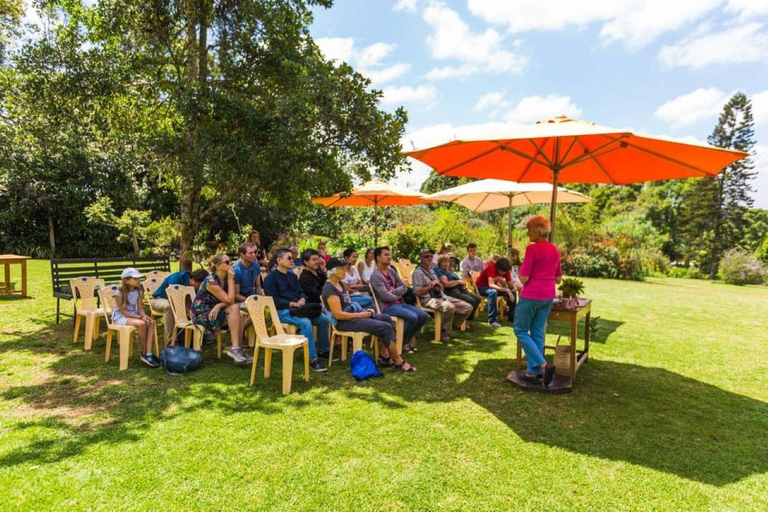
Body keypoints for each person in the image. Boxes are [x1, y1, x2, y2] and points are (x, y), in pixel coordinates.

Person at [323, 258, 415, 372]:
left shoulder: (339, 283)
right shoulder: (329, 288)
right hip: (343, 322)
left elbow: (348, 303)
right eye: (342, 269)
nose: (345, 271)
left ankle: (384, 357)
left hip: (352, 315)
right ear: (333, 271)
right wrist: (361, 315)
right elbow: (338, 315)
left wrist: (364, 312)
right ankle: (398, 362)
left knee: (386, 318)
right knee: (385, 327)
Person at [514, 216, 562, 387]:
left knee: (519, 330)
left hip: (531, 296)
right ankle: (533, 372)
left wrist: (519, 271)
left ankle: (543, 365)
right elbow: (558, 279)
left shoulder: (532, 250)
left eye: (529, 230)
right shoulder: (555, 250)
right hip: (548, 296)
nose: (528, 234)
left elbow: (524, 278)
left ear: (538, 231)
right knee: (537, 332)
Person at [263, 247, 329, 371]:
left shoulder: (292, 276)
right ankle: (312, 358)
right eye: (289, 258)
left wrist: (302, 299)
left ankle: (323, 350)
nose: (292, 260)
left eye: (292, 258)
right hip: (282, 311)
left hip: (299, 309)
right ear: (279, 260)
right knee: (305, 322)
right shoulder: (270, 279)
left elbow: (301, 292)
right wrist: (293, 304)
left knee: (323, 319)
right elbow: (274, 301)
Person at [191, 254, 252, 364]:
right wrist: (230, 279)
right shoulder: (211, 281)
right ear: (218, 266)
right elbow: (230, 300)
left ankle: (237, 349)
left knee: (238, 312)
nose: (231, 264)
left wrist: (218, 306)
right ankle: (236, 349)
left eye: (231, 261)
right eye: (227, 262)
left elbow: (229, 301)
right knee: (234, 308)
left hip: (215, 310)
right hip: (202, 314)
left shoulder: (224, 279)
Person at [369, 246, 429, 354]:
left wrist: (393, 292)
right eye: (386, 255)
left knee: (424, 316)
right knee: (413, 317)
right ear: (378, 258)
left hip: (398, 303)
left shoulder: (391, 271)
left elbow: (404, 287)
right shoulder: (376, 276)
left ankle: (403, 341)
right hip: (386, 307)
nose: (389, 257)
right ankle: (401, 342)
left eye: (389, 254)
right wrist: (397, 294)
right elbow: (385, 297)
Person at [411, 249, 473, 341]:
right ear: (421, 258)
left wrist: (439, 285)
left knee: (467, 307)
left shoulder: (431, 271)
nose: (429, 258)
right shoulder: (417, 273)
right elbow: (417, 292)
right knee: (449, 307)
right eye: (426, 256)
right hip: (427, 299)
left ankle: (448, 325)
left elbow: (441, 287)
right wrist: (429, 287)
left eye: (431, 256)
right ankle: (444, 331)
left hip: (441, 296)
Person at [111, 267, 160, 368]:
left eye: (139, 278)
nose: (138, 281)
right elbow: (124, 312)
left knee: (151, 322)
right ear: (126, 281)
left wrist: (144, 316)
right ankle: (144, 352)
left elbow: (141, 308)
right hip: (121, 317)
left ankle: (148, 353)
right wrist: (140, 318)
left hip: (134, 314)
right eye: (135, 279)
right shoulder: (118, 293)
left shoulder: (138, 291)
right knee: (142, 324)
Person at [151, 268, 209, 342]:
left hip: (180, 301)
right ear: (195, 281)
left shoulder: (195, 286)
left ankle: (200, 335)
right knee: (169, 306)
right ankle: (171, 340)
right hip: (160, 299)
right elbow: (173, 300)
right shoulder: (176, 278)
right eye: (200, 285)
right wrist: (187, 310)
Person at [435, 254, 482, 324]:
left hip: (460, 290)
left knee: (477, 299)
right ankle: (464, 322)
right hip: (452, 292)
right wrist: (458, 282)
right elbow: (446, 284)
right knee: (471, 300)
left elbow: (460, 281)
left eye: (447, 262)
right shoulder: (440, 272)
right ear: (440, 264)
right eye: (443, 262)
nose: (446, 264)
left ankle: (468, 320)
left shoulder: (450, 272)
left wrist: (462, 283)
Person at [475, 257, 519, 328]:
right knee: (493, 292)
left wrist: (513, 289)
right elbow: (491, 284)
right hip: (481, 287)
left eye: (505, 271)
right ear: (498, 267)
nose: (504, 273)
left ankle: (512, 317)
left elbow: (510, 285)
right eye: (503, 271)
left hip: (493, 288)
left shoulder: (505, 270)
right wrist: (507, 290)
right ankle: (492, 320)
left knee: (512, 292)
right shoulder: (492, 268)